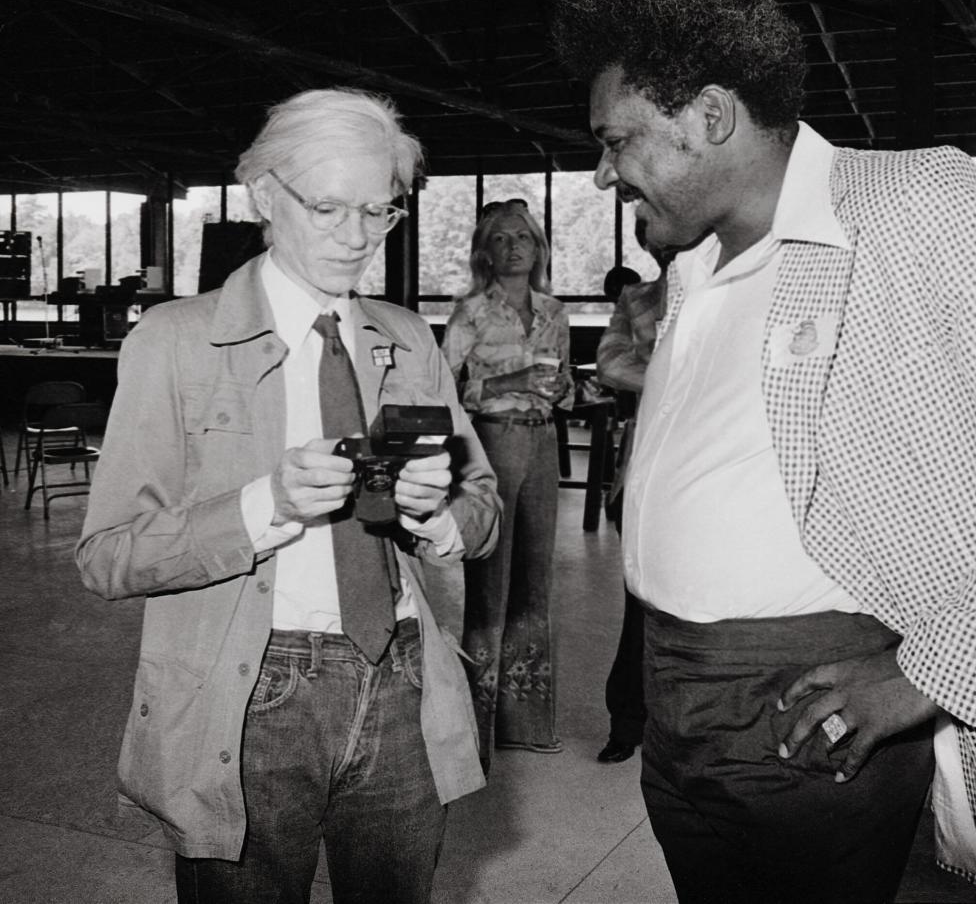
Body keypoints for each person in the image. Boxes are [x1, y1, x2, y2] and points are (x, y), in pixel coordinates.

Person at [552, 0, 976, 903]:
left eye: (616, 140)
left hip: (803, 700)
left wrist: (938, 671)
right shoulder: (694, 265)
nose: (605, 173)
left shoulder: (904, 206)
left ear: (708, 117)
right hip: (673, 693)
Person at [76, 88, 500, 904]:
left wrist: (437, 517)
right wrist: (262, 503)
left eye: (380, 212)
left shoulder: (408, 338)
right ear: (266, 196)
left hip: (403, 680)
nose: (357, 239)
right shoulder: (175, 341)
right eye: (330, 208)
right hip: (253, 694)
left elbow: (482, 507)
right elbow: (107, 556)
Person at [441, 198, 573, 773]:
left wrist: (563, 387)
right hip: (491, 440)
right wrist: (509, 379)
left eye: (524, 237)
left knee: (535, 581)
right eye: (501, 239)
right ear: (484, 254)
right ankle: (476, 728)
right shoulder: (470, 312)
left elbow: (564, 386)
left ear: (539, 250)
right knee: (489, 582)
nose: (514, 246)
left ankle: (527, 725)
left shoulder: (555, 312)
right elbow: (444, 389)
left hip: (543, 442)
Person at [594, 221, 669, 765]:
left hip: (722, 475)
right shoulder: (638, 298)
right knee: (639, 606)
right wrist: (688, 372)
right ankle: (627, 720)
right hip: (644, 468)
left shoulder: (739, 284)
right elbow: (611, 364)